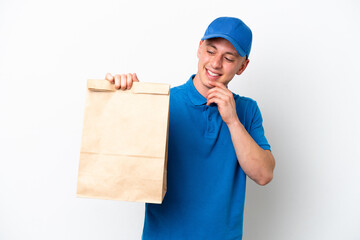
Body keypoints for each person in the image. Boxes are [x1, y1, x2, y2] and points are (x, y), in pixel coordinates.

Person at [105, 17, 275, 240]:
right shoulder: (164, 102)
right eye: (211, 51)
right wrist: (128, 101)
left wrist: (232, 120)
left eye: (229, 58)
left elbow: (264, 174)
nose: (215, 64)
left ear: (242, 66)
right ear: (199, 48)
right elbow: (124, 165)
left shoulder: (247, 110)